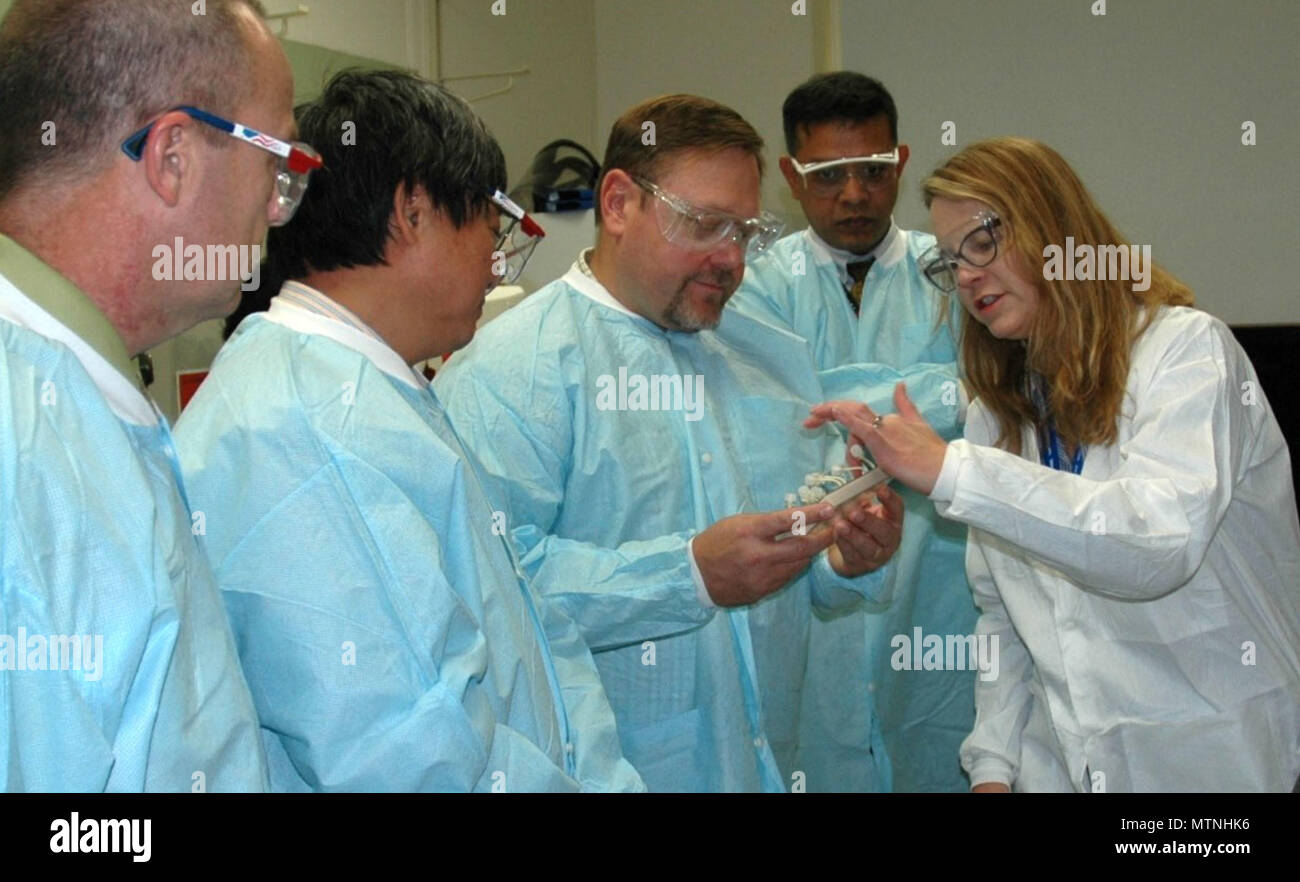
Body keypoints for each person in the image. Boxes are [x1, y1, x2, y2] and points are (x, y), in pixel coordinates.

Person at [174, 69, 643, 793]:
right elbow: (412, 759)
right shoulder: (305, 426)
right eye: (493, 229)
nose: (496, 267)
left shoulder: (366, 386)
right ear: (414, 210)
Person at [436, 94, 905, 792]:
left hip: (775, 756)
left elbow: (803, 564)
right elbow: (485, 594)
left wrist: (844, 560)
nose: (730, 258)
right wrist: (684, 578)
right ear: (620, 203)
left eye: (744, 231)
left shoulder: (767, 353)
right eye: (705, 224)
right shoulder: (513, 373)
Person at [808, 136, 1300, 792]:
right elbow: (1007, 615)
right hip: (1061, 767)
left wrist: (953, 472)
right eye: (950, 263)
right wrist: (993, 765)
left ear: (1053, 228)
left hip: (1207, 769)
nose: (967, 278)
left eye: (981, 242)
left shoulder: (1185, 353)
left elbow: (1157, 544)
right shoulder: (1003, 410)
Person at [0, 0, 301, 792]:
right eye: (275, 162)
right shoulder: (26, 448)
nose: (277, 206)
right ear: (172, 156)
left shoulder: (70, 393)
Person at [731, 72, 975, 792]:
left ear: (900, 162)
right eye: (830, 175)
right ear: (790, 176)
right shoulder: (756, 282)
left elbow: (994, 399)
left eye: (874, 171)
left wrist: (840, 401)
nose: (855, 193)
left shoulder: (951, 270)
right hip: (814, 581)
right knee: (822, 750)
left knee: (941, 751)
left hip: (940, 579)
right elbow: (780, 414)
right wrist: (941, 394)